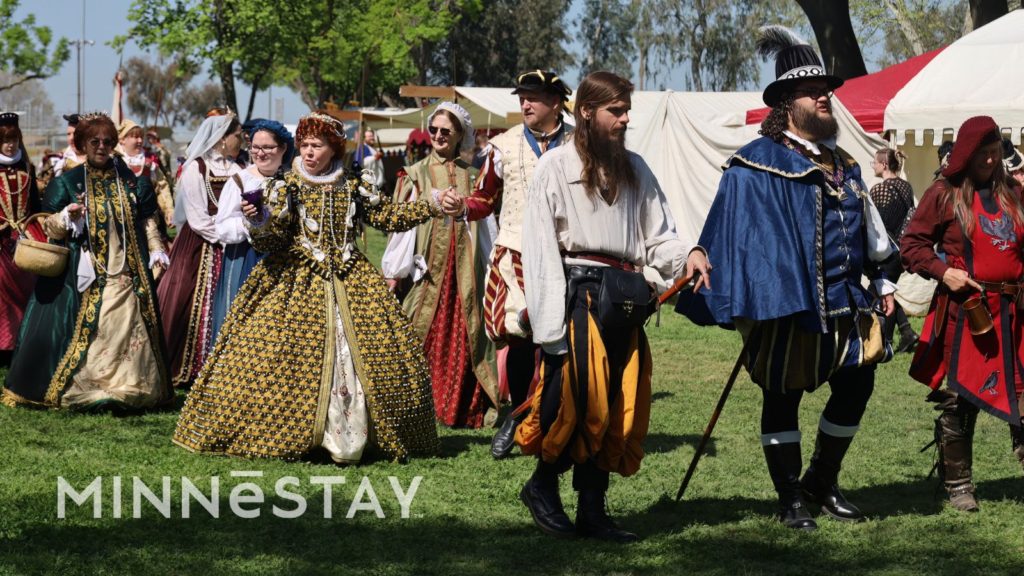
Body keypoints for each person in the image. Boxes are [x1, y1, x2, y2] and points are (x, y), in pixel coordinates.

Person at [677, 26, 897, 531]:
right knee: (783, 395)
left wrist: (882, 279)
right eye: (813, 92)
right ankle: (789, 497)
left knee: (857, 384)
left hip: (847, 302)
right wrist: (701, 252)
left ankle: (820, 482)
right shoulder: (756, 163)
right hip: (787, 305)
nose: (826, 97)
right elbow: (728, 225)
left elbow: (872, 232)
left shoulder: (844, 164)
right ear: (786, 103)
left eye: (828, 91)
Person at [173, 111, 446, 463]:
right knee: (277, 360)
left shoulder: (353, 183)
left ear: (334, 148)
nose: (310, 152)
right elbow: (271, 240)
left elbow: (387, 216)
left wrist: (433, 204)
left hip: (352, 279)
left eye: (317, 145)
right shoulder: (285, 185)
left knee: (377, 354)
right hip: (296, 281)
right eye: (304, 145)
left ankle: (358, 435)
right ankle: (296, 435)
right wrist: (259, 220)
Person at [517, 71, 709, 542]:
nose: (625, 119)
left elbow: (659, 236)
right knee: (584, 403)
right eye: (615, 111)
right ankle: (542, 487)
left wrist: (689, 255)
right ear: (586, 111)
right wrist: (549, 332)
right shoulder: (555, 167)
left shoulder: (636, 167)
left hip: (625, 297)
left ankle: (592, 510)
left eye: (627, 111)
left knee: (621, 404)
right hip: (579, 295)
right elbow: (541, 250)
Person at [444, 69, 574, 459]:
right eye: (522, 97)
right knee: (518, 338)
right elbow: (485, 197)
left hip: (566, 254)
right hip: (514, 252)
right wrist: (463, 206)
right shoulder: (502, 146)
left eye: (533, 97)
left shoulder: (577, 143)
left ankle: (552, 419)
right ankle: (517, 417)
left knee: (560, 340)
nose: (525, 104)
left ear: (555, 102)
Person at [2, 112, 171, 410]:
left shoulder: (131, 181)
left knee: (128, 324)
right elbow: (49, 226)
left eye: (107, 142)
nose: (102, 147)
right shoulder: (67, 182)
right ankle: (90, 382)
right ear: (82, 144)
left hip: (127, 270)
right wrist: (67, 216)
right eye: (95, 141)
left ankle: (130, 382)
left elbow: (146, 220)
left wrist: (157, 248)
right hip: (85, 273)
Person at [901, 116, 1024, 512]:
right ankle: (958, 485)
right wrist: (943, 271)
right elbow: (912, 246)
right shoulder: (944, 194)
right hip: (970, 313)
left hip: (1016, 311)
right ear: (966, 155)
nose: (991, 161)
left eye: (995, 153)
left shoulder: (1013, 194)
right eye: (983, 154)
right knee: (959, 399)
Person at [384, 102, 499, 428]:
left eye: (445, 131)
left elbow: (489, 227)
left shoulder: (476, 176)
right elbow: (400, 225)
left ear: (460, 134)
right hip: (426, 270)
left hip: (465, 270)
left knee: (467, 333)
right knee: (419, 326)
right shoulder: (415, 174)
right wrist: (394, 270)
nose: (437, 136)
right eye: (433, 130)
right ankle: (411, 404)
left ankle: (461, 408)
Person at [157, 108, 244, 387]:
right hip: (200, 245)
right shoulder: (196, 167)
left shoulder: (238, 169)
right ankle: (189, 367)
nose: (240, 141)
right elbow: (196, 218)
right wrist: (227, 236)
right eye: (237, 136)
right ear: (222, 138)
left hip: (233, 244)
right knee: (187, 299)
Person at [210, 119, 293, 345]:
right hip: (245, 258)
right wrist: (250, 222)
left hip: (285, 260)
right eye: (255, 147)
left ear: (283, 148)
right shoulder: (239, 181)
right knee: (245, 321)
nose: (260, 153)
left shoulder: (292, 181)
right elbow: (223, 229)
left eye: (267, 147)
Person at [0, 112, 42, 364]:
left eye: (14, 139)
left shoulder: (28, 167)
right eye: (5, 139)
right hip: (1, 239)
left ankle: (22, 341)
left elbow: (35, 205)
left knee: (28, 288)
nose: (10, 144)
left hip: (25, 235)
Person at [870, 147, 919, 353]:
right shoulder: (906, 187)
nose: (873, 165)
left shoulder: (879, 190)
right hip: (902, 251)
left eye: (875, 162)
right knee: (885, 291)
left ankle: (886, 341)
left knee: (878, 294)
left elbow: (878, 224)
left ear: (884, 164)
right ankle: (907, 333)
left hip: (886, 252)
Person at [118, 119, 175, 229]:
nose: (140, 140)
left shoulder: (150, 161)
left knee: (156, 246)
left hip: (149, 221)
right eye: (135, 137)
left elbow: (162, 188)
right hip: (122, 221)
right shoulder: (114, 161)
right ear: (123, 140)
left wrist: (169, 211)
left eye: (141, 137)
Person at [53, 114, 85, 178]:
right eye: (68, 134)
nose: (71, 138)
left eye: (76, 134)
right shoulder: (60, 160)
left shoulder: (98, 159)